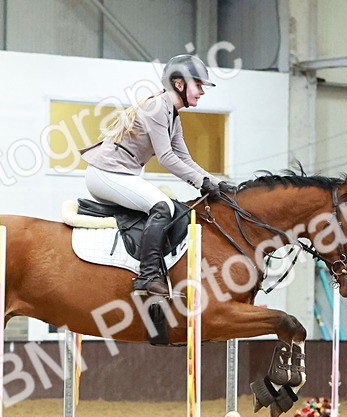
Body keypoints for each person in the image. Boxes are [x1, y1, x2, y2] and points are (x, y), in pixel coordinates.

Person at [81, 55, 237, 297]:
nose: (202, 92)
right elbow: (166, 158)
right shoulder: (156, 109)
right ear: (179, 85)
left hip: (121, 174)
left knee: (169, 206)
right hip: (105, 174)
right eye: (199, 85)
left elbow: (185, 159)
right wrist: (201, 183)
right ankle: (148, 275)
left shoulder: (173, 117)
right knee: (162, 206)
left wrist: (218, 184)